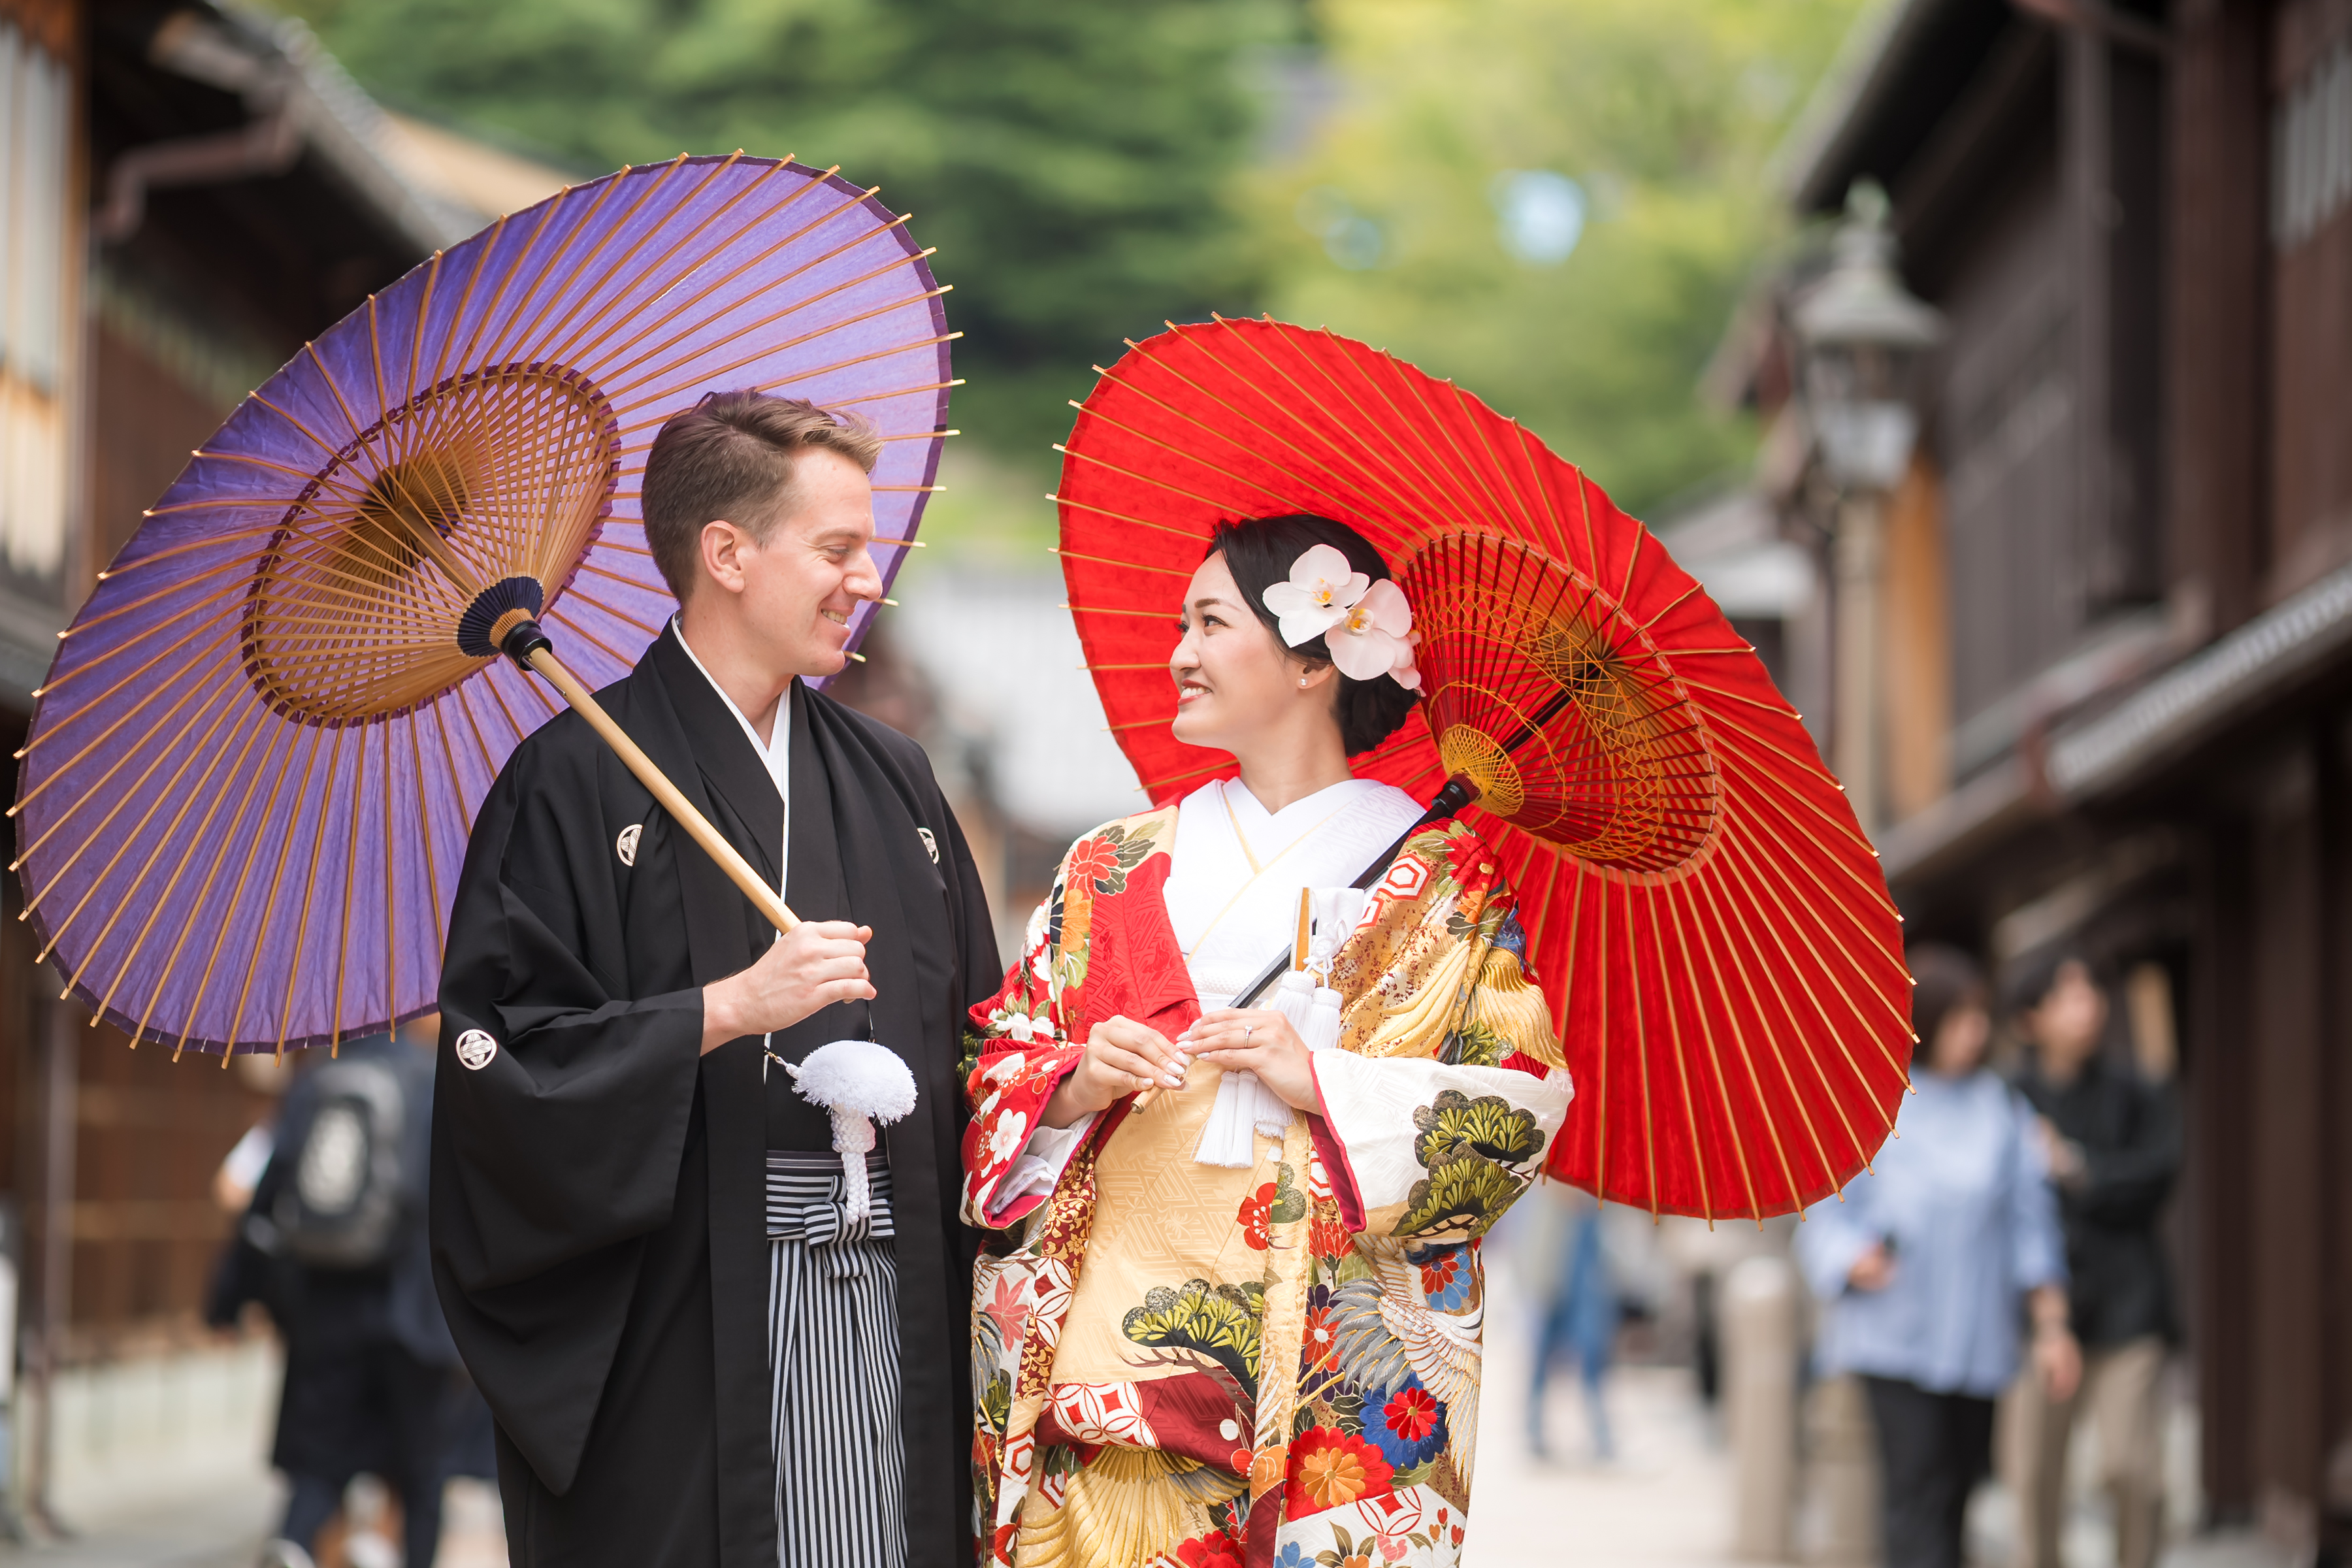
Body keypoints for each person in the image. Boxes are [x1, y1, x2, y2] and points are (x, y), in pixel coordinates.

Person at [431, 392, 1000, 1568]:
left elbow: (982, 1047)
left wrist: (1063, 1086)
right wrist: (725, 1009)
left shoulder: (896, 784)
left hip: (892, 1299)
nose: (866, 580)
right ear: (727, 554)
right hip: (684, 1324)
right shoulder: (572, 784)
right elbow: (506, 1070)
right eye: (839, 550)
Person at [959, 516, 1574, 1567]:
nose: (1179, 654)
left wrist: (1322, 1079)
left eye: (1209, 622)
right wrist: (1069, 1081)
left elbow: (1517, 1105)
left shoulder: (1445, 879)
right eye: (1181, 624)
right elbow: (998, 1066)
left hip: (1328, 1377)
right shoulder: (1110, 865)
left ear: (1312, 660)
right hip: (1103, 1361)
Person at [1796, 945, 2080, 1568]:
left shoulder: (2002, 1111)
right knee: (1915, 1489)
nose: (1974, 1033)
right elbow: (1826, 1211)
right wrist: (1851, 1258)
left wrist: (2052, 1325)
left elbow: (2031, 1225)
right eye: (1960, 1018)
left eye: (1979, 1017)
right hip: (1895, 1330)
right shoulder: (1874, 1102)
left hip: (1979, 1335)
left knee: (1960, 1491)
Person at [210, 1023, 461, 1568]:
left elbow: (265, 1205)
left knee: (320, 1462)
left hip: (325, 1306)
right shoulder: (436, 1081)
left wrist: (228, 1301)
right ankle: (401, 1553)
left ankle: (296, 1545)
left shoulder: (315, 1082)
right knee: (420, 1473)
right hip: (415, 1309)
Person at [1999, 952, 2180, 1568]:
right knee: (2034, 1478)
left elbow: (2158, 1174)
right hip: (2037, 1313)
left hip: (2128, 1304)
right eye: (2068, 995)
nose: (2090, 1006)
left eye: (2090, 990)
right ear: (2031, 1018)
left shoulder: (2135, 1090)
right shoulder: (2006, 1101)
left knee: (2134, 1471)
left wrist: (2075, 1168)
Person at [1527, 1186, 1616, 1462]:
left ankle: (1600, 1432)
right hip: (1553, 1272)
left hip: (1586, 1278)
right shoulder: (1549, 1192)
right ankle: (1535, 1429)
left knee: (1592, 1350)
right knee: (1543, 1353)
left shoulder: (1596, 1201)